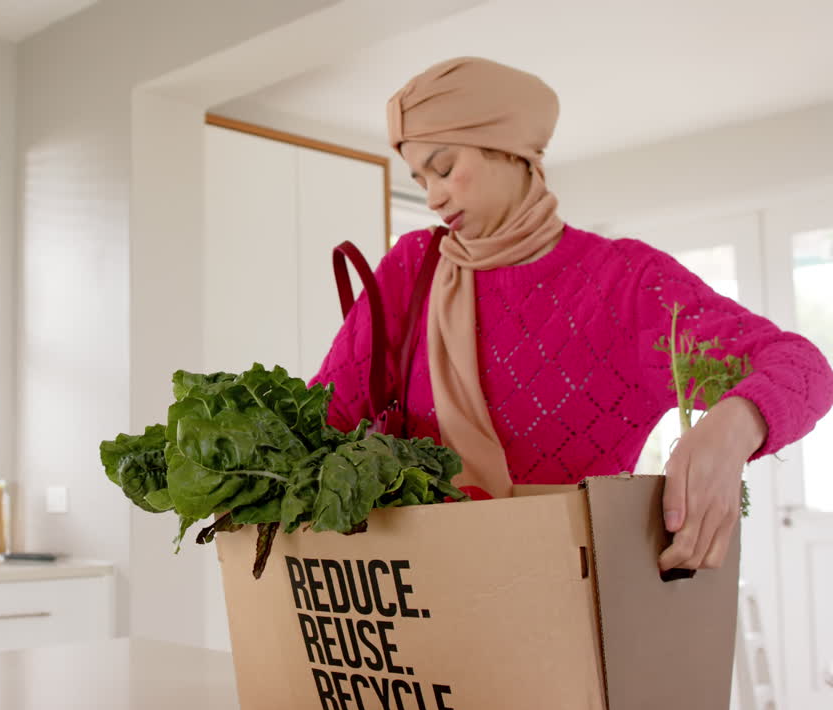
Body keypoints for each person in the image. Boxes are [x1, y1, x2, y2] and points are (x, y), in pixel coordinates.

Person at [312, 57, 833, 573]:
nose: (432, 197)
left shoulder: (627, 282)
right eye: (420, 178)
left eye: (444, 168)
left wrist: (734, 425)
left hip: (575, 605)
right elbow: (322, 422)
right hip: (415, 597)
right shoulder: (412, 266)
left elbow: (801, 367)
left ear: (511, 149)